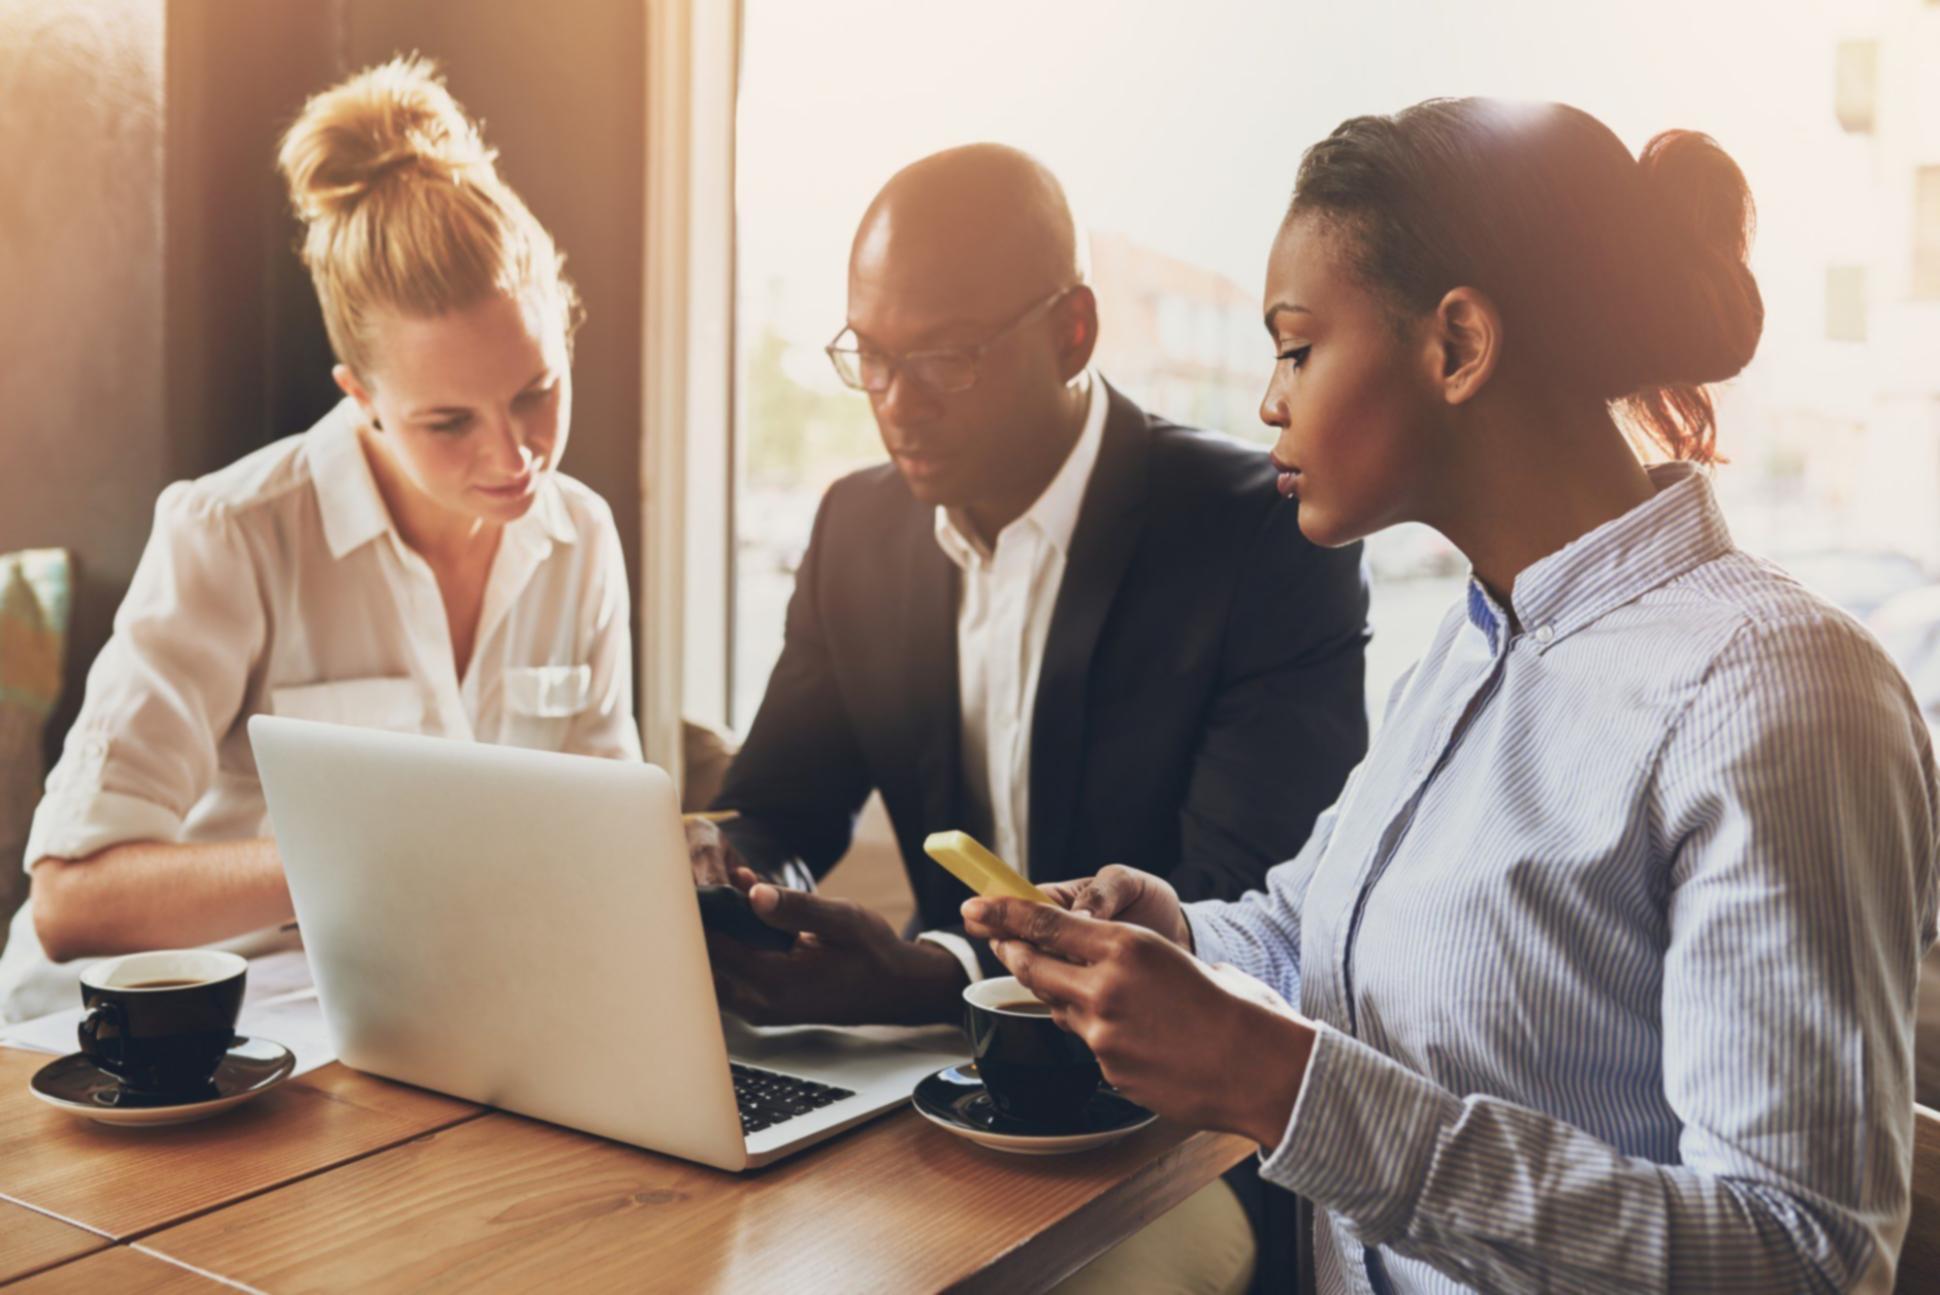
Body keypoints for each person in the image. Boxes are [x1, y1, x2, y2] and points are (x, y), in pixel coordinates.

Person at [964, 98, 1940, 1293]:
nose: (1269, 401)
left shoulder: (1776, 695)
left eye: (1295, 348)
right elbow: (1312, 935)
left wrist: (1282, 1086)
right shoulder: (1471, 646)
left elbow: (1801, 1258)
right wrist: (1171, 936)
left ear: (1458, 345)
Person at [694, 143, 1371, 1292]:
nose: (894, 401)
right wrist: (739, 882)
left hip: (1173, 1129)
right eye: (870, 356)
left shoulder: (1253, 534)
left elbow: (1242, 915)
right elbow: (777, 802)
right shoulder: (858, 527)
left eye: (942, 357)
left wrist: (927, 971)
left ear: (1071, 331)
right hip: (930, 1085)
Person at [0, 57, 639, 1023]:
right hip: (145, 1032)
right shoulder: (232, 534)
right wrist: (375, 851)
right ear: (362, 397)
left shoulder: (579, 537)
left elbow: (601, 843)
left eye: (537, 392)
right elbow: (70, 903)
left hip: (413, 1014)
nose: (515, 455)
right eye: (449, 422)